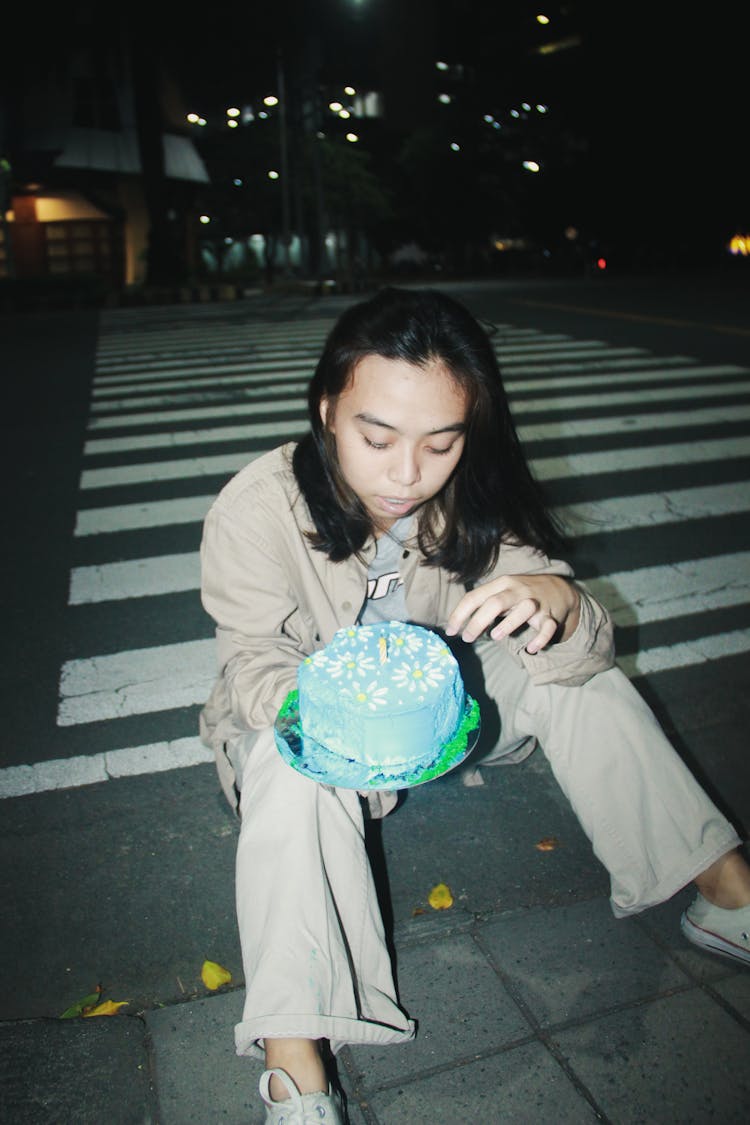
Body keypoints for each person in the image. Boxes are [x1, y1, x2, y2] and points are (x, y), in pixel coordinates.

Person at [199, 287, 750, 1124]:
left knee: (585, 682)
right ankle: (296, 1056)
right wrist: (341, 719)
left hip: (450, 702)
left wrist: (554, 597)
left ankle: (728, 892)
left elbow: (581, 639)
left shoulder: (468, 495)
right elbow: (252, 659)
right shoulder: (258, 505)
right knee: (289, 756)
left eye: (441, 441)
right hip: (327, 712)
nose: (405, 474)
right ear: (327, 411)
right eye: (375, 437)